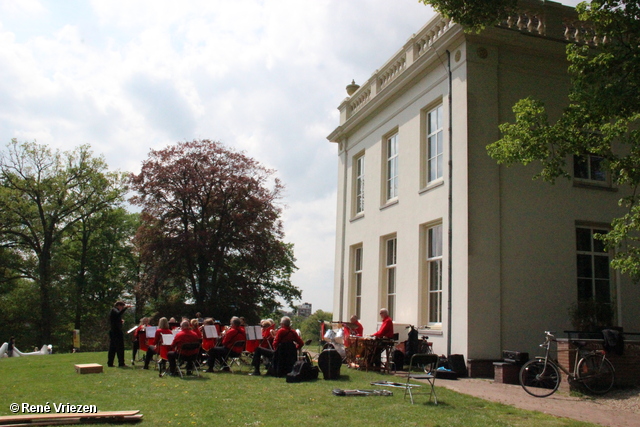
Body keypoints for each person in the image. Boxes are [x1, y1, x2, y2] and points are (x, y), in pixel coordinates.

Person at [108, 301, 129, 367]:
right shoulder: (114, 310)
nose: (122, 308)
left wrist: (120, 322)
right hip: (116, 332)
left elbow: (116, 319)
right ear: (118, 305)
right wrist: (126, 308)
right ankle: (121, 363)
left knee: (113, 348)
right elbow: (119, 314)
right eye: (122, 306)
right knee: (120, 348)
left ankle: (110, 363)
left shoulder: (114, 312)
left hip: (114, 332)